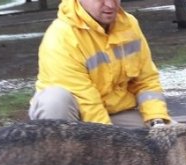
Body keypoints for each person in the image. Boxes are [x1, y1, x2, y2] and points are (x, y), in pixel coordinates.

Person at [28, 0, 171, 127]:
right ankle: (59, 153)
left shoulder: (129, 25)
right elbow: (87, 102)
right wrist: (108, 144)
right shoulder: (61, 37)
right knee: (54, 100)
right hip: (74, 117)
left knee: (173, 139)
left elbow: (146, 81)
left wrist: (156, 121)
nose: (110, 4)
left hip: (116, 113)